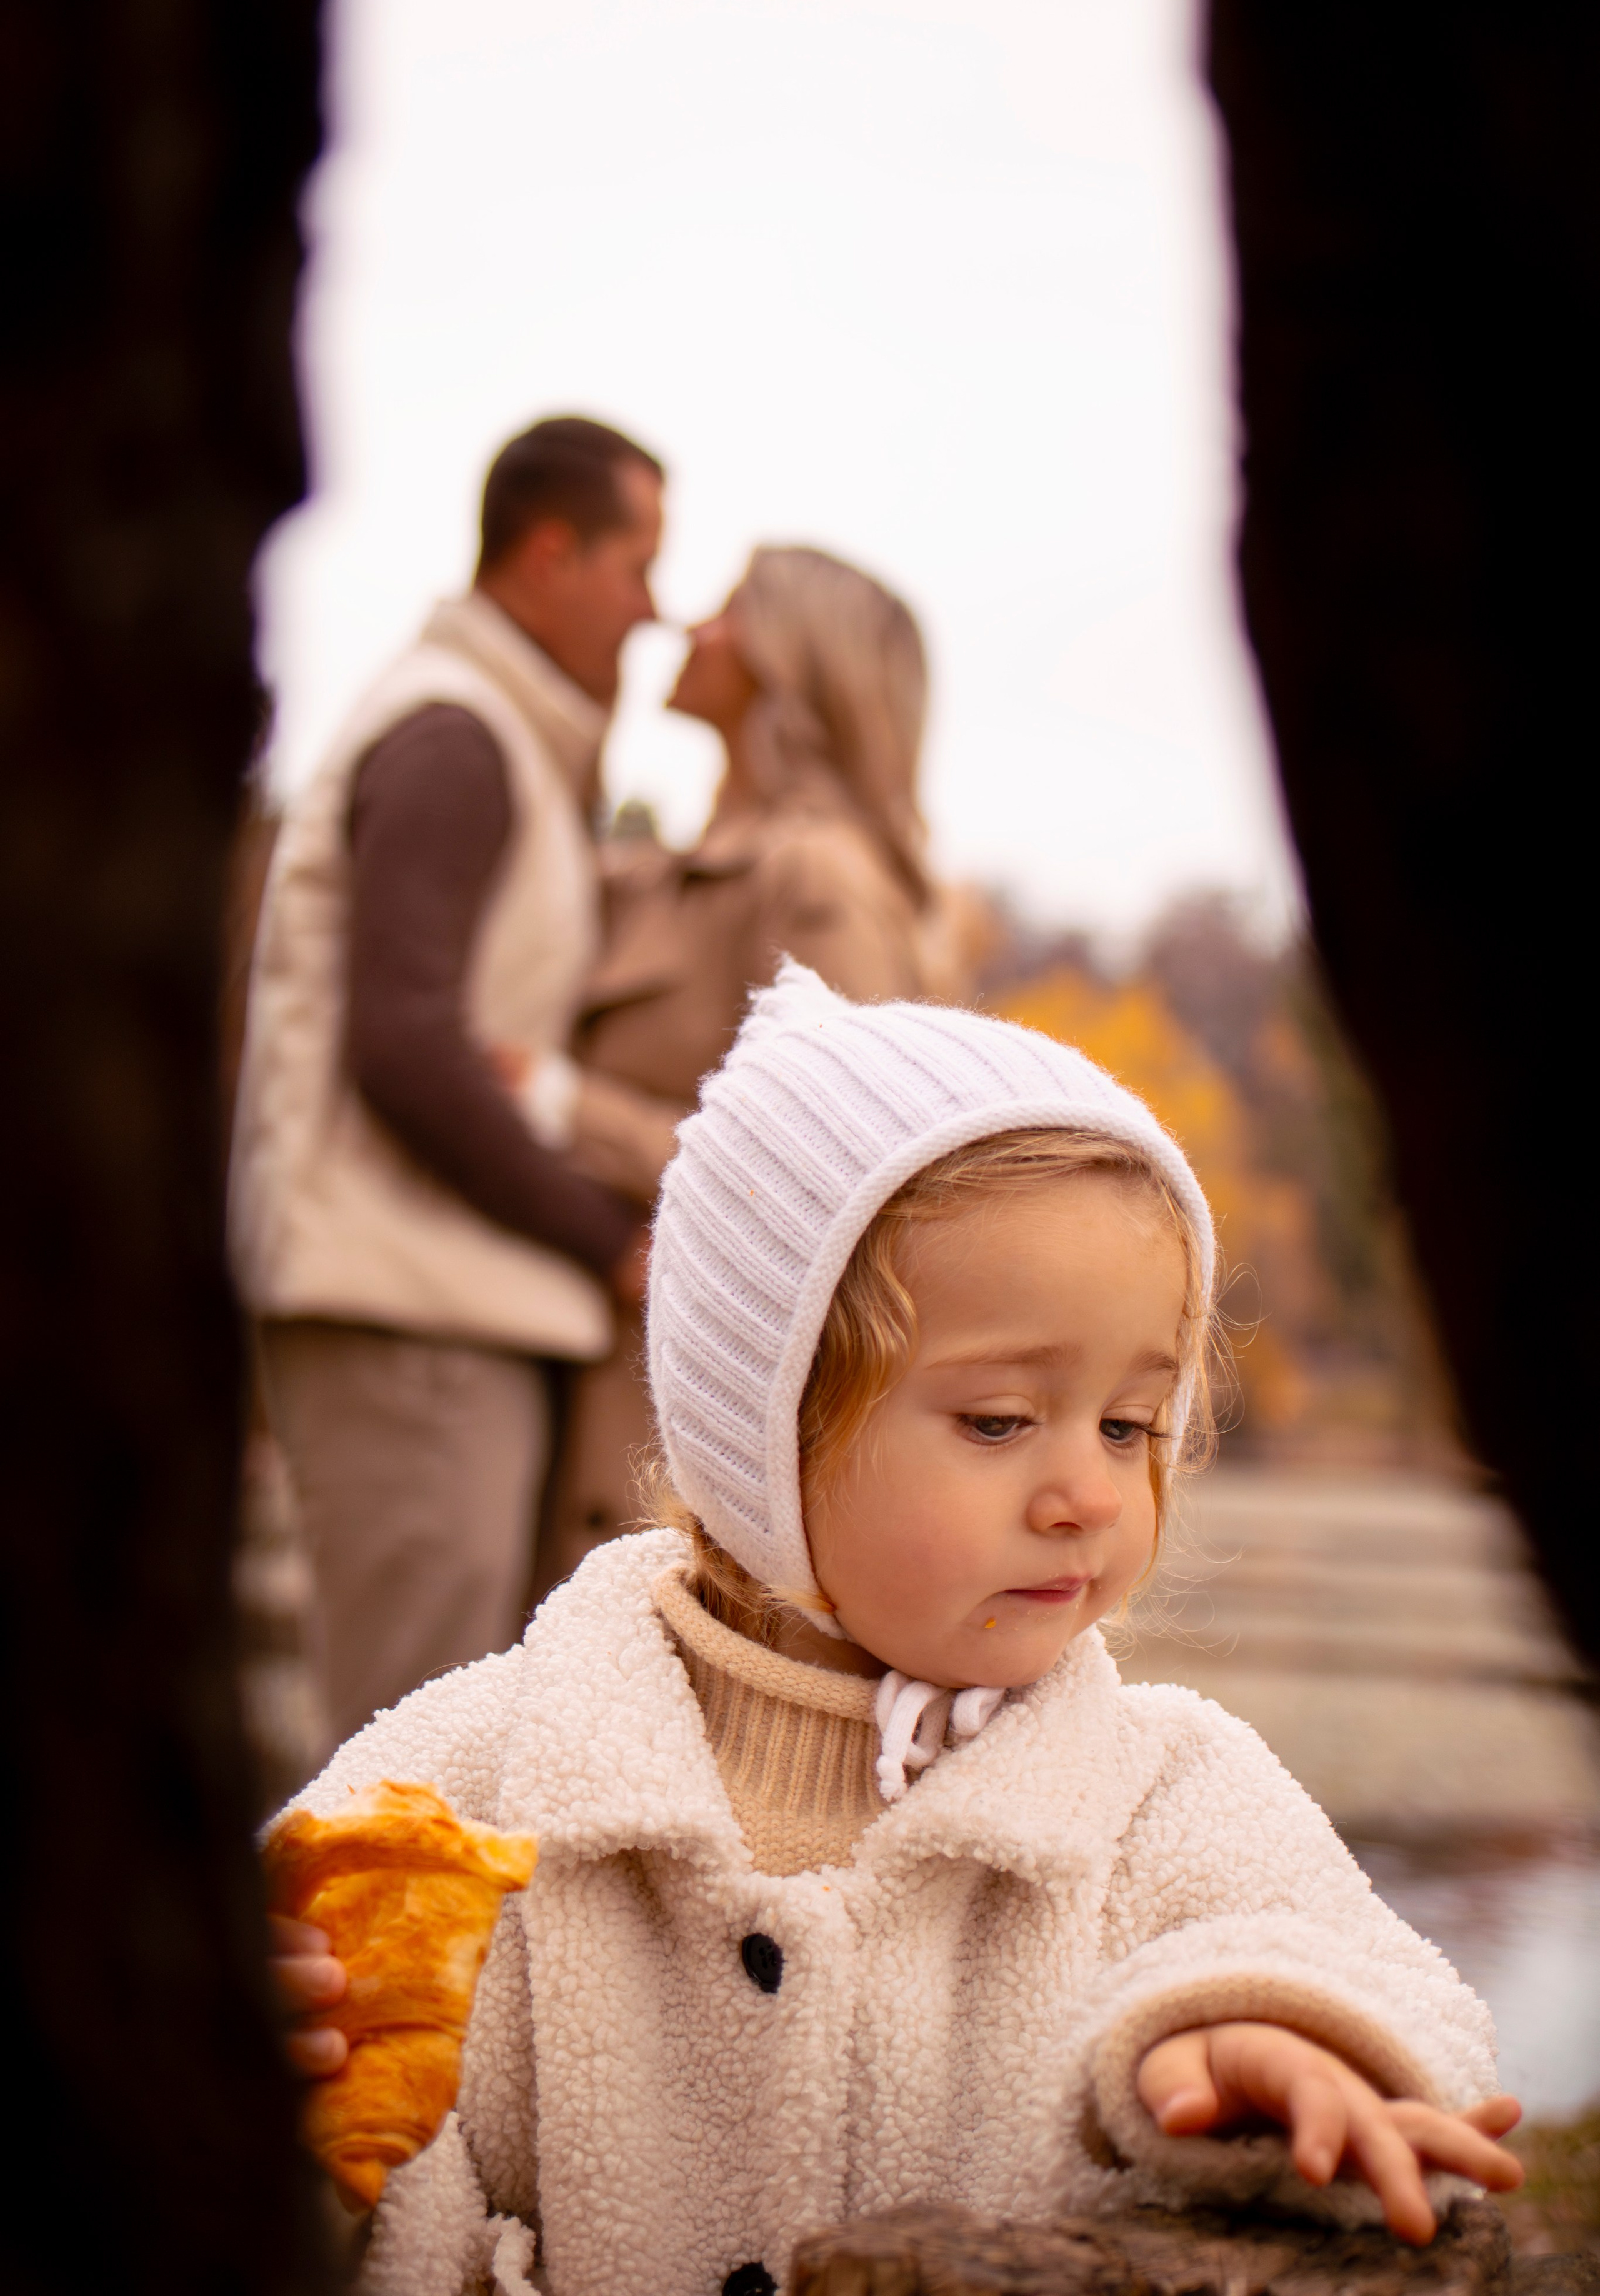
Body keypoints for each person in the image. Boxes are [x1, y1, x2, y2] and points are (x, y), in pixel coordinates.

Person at [274, 962, 1521, 2296]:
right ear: (759, 1435)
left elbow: (1372, 1979)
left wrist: (1257, 2042)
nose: (1088, 1495)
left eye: (1129, 1425)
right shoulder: (480, 1773)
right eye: (997, 1421)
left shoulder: (1166, 1792)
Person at [230, 416, 671, 1749]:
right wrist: (607, 1243)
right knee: (399, 1764)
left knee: (435, 1757)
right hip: (405, 1313)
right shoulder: (454, 740)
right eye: (636, 566)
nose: (650, 611)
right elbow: (406, 1043)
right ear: (549, 553)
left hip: (442, 1308)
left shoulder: (498, 737)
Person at [532, 544, 940, 1596]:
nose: (688, 628)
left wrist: (565, 1105)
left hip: (682, 1421)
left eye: (725, 612)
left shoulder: (820, 878)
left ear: (790, 662)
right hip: (588, 1362)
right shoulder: (681, 868)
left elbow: (847, 1162)